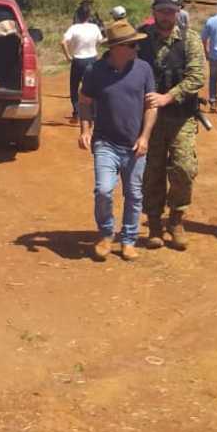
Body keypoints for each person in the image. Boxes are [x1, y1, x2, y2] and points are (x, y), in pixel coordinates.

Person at [78, 19, 157, 262]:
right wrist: (85, 129)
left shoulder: (144, 69)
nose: (136, 49)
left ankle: (129, 240)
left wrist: (144, 137)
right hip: (105, 143)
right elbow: (84, 100)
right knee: (103, 190)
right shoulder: (95, 71)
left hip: (134, 145)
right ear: (116, 48)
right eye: (131, 45)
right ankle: (105, 234)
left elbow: (151, 106)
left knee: (134, 194)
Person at [137, 0, 205, 250]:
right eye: (162, 10)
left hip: (180, 117)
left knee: (184, 169)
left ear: (178, 13)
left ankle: (176, 219)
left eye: (171, 11)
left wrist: (168, 97)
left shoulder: (190, 40)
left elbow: (197, 76)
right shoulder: (141, 38)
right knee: (151, 172)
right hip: (148, 120)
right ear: (154, 11)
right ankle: (154, 223)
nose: (167, 15)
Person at [62, 12, 103, 124]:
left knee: (74, 87)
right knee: (92, 86)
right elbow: (101, 41)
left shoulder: (74, 28)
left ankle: (76, 113)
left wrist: (68, 56)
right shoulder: (94, 27)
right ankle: (93, 114)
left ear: (77, 17)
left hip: (78, 60)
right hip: (92, 59)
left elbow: (63, 42)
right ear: (89, 17)